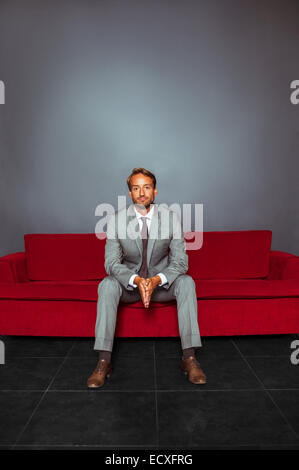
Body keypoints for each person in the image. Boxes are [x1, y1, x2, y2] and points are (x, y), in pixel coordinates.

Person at [87, 167, 206, 388]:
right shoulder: (116, 220)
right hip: (130, 287)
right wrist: (137, 281)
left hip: (161, 285)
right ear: (130, 193)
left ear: (155, 191)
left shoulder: (171, 219)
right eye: (136, 188)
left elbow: (181, 262)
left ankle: (189, 358)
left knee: (187, 282)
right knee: (106, 285)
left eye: (147, 187)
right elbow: (111, 263)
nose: (142, 193)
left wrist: (156, 280)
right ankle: (103, 361)